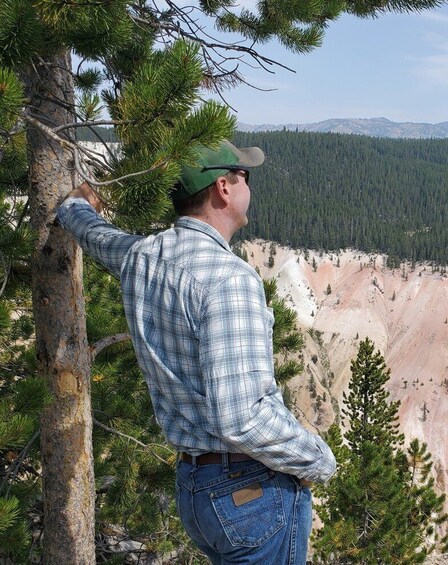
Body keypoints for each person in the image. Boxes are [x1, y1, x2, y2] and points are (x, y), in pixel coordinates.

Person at [57, 140, 336, 564]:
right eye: (245, 174)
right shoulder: (230, 279)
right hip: (250, 489)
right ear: (223, 187)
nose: (248, 183)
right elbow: (241, 417)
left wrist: (75, 206)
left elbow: (96, 235)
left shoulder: (144, 256)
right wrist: (317, 460)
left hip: (195, 488)